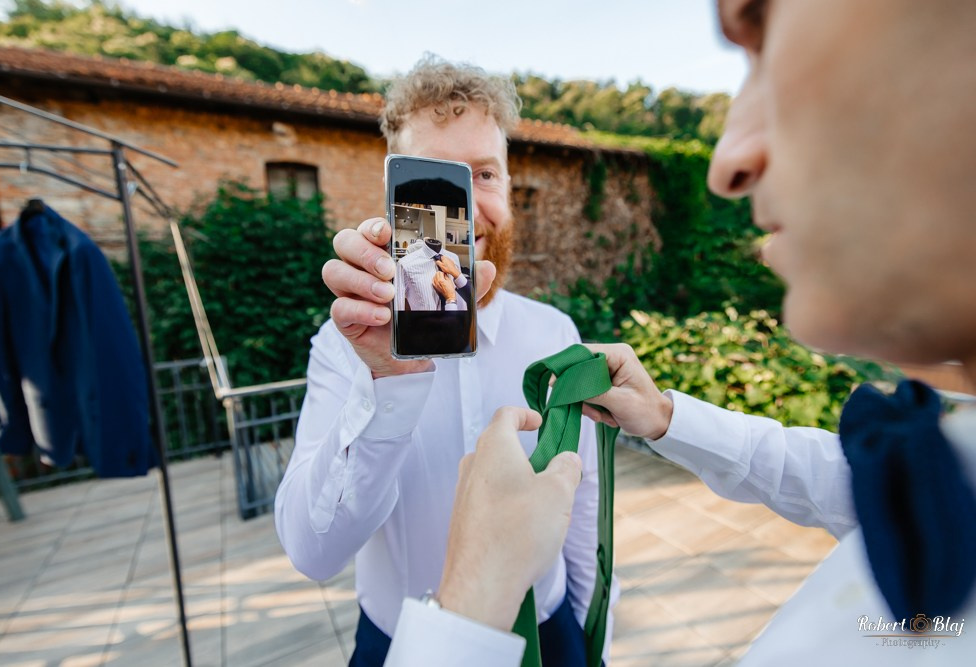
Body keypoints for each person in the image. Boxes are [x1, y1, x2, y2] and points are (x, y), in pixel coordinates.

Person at [383, 0, 976, 664]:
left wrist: (474, 605)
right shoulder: (938, 467)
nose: (725, 163)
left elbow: (584, 521)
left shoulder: (550, 327)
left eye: (768, 40)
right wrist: (665, 415)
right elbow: (820, 474)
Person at [274, 55, 615, 666]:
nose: (466, 204)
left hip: (550, 629)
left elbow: (579, 506)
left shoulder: (555, 332)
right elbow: (312, 551)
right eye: (438, 177)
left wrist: (592, 645)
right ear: (395, 198)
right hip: (400, 641)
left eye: (484, 174)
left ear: (509, 185)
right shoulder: (342, 349)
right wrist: (386, 381)